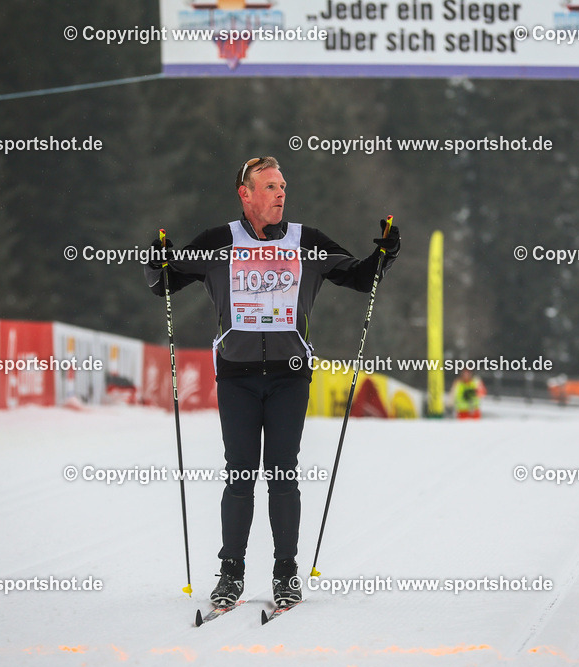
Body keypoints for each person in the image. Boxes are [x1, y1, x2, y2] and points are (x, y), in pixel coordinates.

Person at [145, 156, 400, 607]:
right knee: (239, 475)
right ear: (245, 194)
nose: (280, 193)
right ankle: (231, 574)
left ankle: (286, 574)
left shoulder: (308, 242)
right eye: (269, 186)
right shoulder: (219, 241)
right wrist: (156, 260)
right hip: (237, 378)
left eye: (283, 186)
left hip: (289, 377)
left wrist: (384, 254)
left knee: (283, 474)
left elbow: (361, 278)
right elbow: (164, 283)